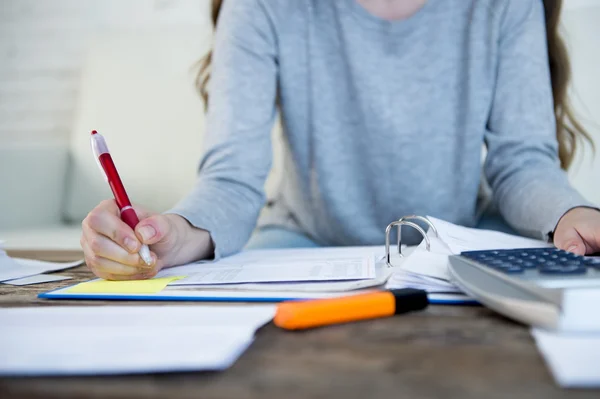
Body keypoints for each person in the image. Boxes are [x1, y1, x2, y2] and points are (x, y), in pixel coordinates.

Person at [80, 0, 599, 281]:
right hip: (305, 238)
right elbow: (232, 179)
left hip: (460, 240)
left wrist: (573, 215)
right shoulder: (261, 7)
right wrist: (174, 234)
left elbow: (523, 162)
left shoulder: (503, 6)